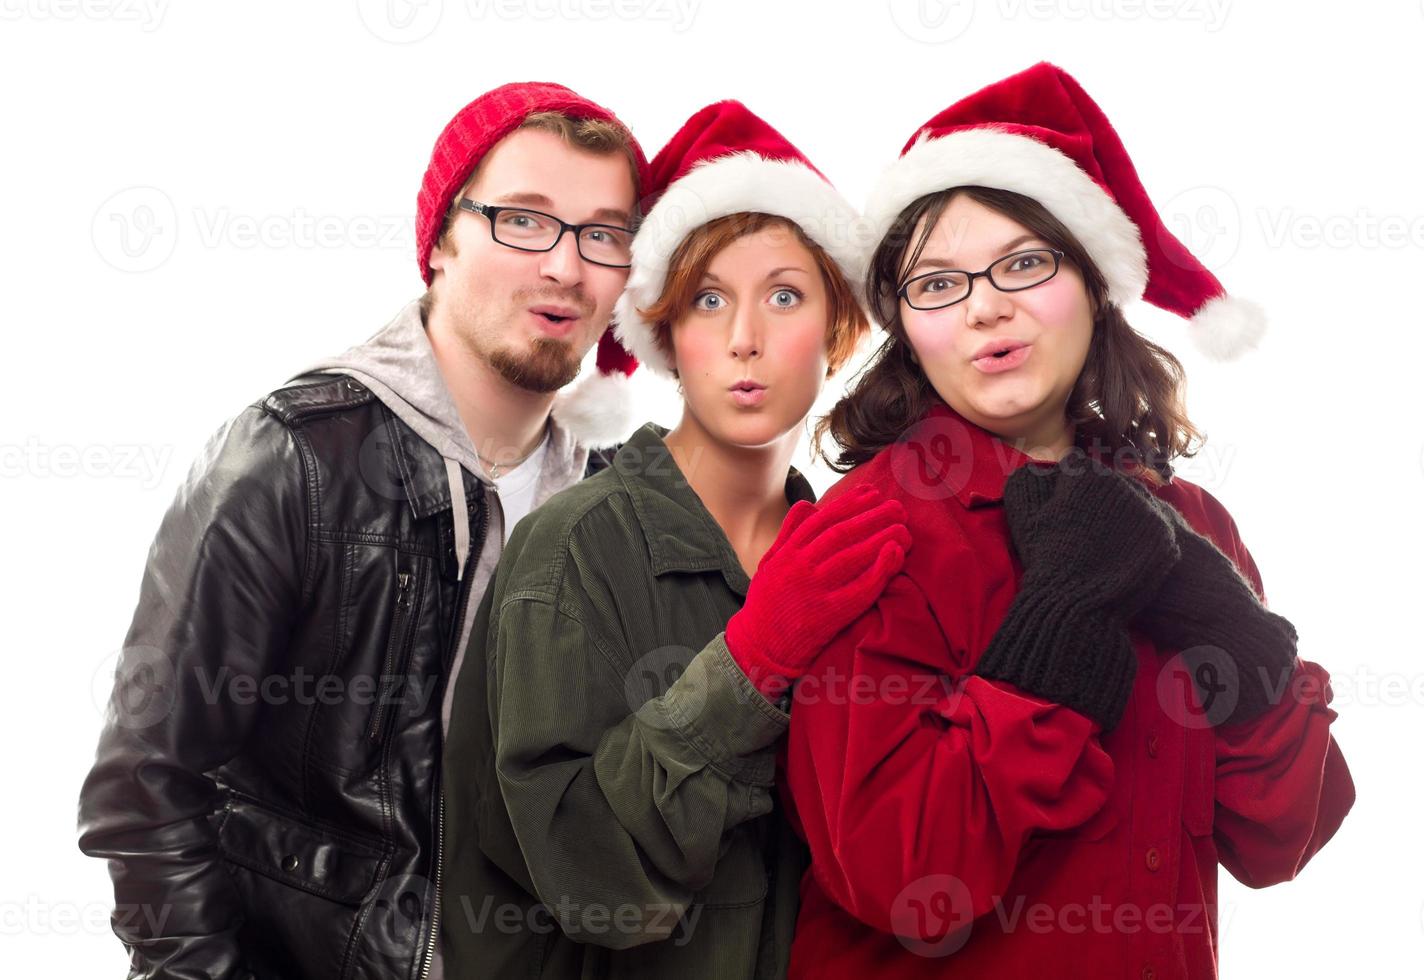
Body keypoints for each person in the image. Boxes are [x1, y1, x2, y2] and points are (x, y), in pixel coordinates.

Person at [779, 62, 1355, 978]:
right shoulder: (875, 530)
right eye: (937, 284)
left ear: (1093, 282)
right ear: (905, 325)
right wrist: (1058, 622)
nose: (984, 306)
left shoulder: (1195, 523)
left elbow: (1280, 838)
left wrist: (1238, 634)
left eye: (1023, 262)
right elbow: (904, 880)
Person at [77, 81, 651, 980]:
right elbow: (143, 794)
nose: (566, 268)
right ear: (442, 241)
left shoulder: (615, 503)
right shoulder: (292, 458)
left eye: (604, 234)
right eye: (524, 221)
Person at [439, 101, 904, 978]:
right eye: (708, 299)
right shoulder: (572, 550)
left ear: (837, 331)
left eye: (785, 295)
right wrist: (750, 667)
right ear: (665, 333)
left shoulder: (856, 558)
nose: (744, 339)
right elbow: (593, 880)